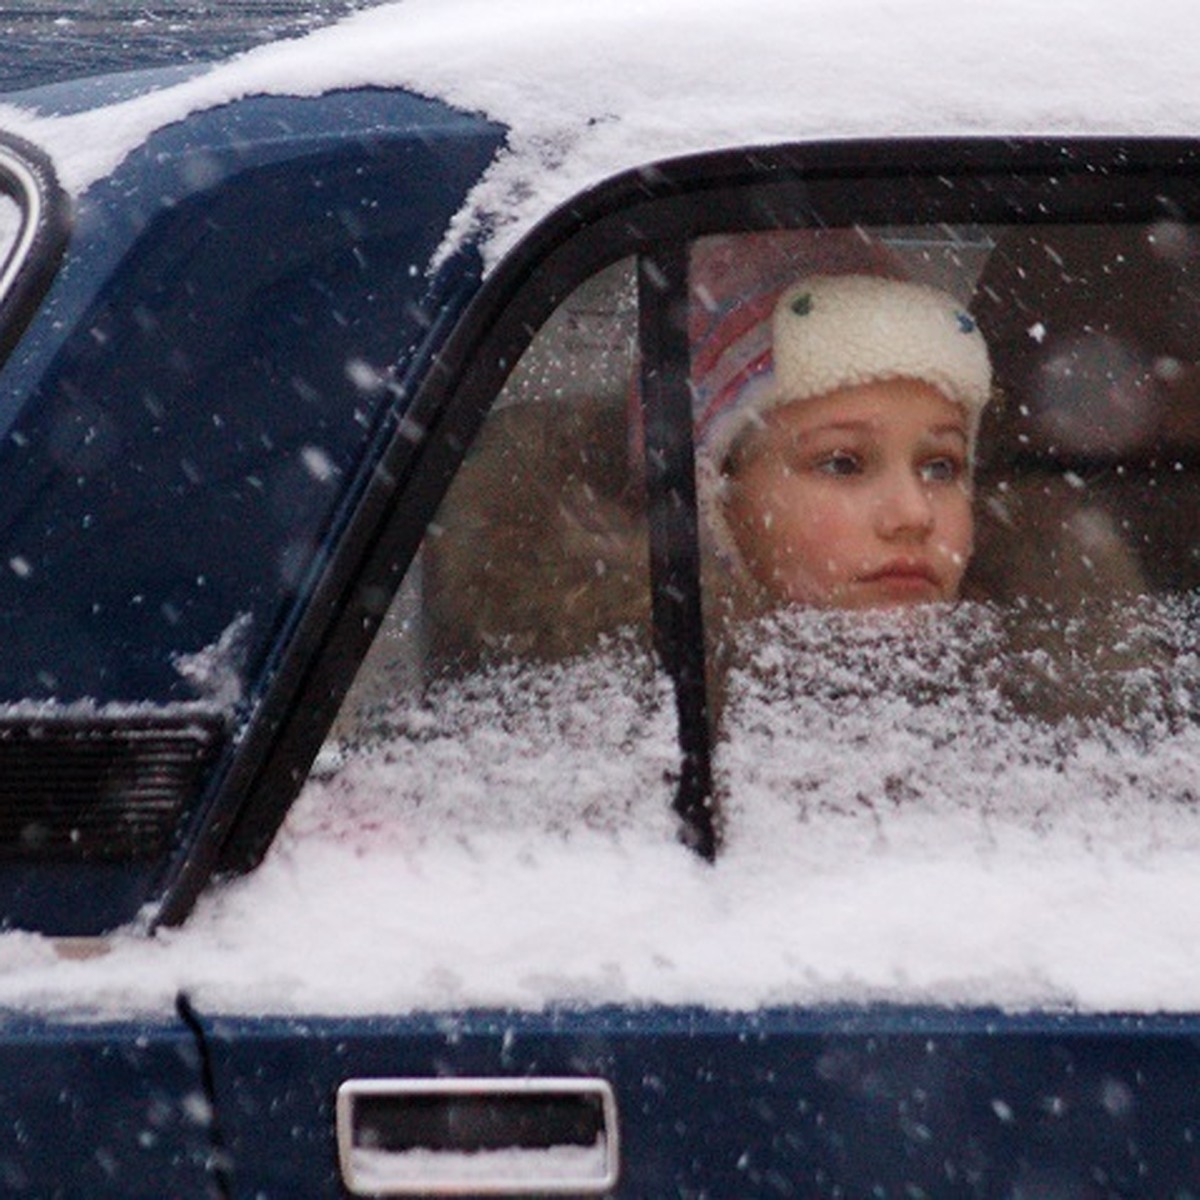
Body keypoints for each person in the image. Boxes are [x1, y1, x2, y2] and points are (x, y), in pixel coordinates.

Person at [693, 272, 993, 611]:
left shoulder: (1046, 659)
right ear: (721, 501)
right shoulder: (649, 661)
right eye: (842, 464)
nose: (914, 514)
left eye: (941, 468)